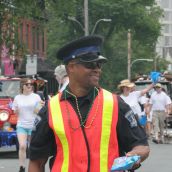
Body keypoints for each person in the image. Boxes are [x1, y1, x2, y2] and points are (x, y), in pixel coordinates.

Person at [28, 35, 149, 172]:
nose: (97, 69)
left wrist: (133, 157)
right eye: (90, 64)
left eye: (99, 64)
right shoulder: (50, 109)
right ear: (71, 67)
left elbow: (142, 145)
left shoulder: (115, 104)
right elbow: (36, 162)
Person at [12, 78, 43, 172]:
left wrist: (38, 108)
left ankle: (34, 166)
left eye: (31, 84)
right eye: (27, 84)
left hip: (33, 126)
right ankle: (22, 167)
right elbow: (15, 112)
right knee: (22, 146)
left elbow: (40, 110)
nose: (29, 86)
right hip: (22, 125)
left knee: (32, 147)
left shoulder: (36, 97)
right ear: (23, 86)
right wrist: (16, 110)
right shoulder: (17, 97)